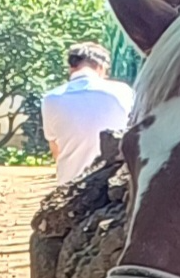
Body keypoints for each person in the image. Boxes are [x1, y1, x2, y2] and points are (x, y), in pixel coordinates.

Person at [40, 43, 135, 183]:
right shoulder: (123, 91)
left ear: (71, 67)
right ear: (100, 67)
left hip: (70, 185)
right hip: (114, 185)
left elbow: (55, 148)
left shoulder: (51, 98)